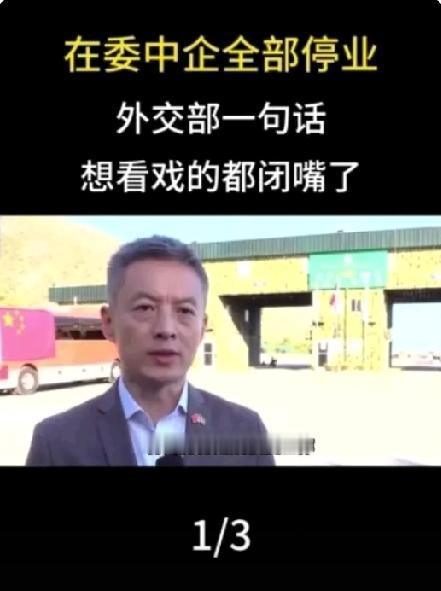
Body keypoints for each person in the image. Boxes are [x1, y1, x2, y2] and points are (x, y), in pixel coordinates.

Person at [26, 236, 275, 466]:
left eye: (184, 311)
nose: (166, 329)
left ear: (202, 328)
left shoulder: (246, 432)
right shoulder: (56, 444)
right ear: (109, 323)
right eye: (145, 308)